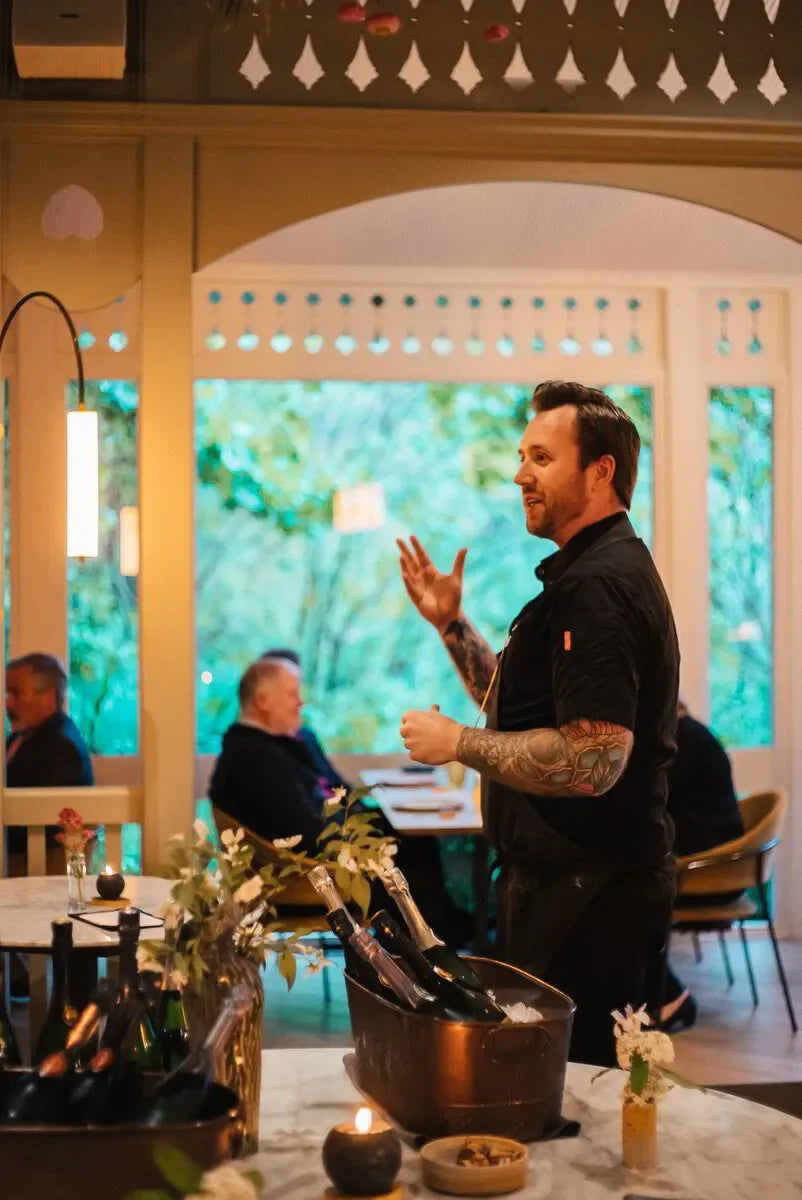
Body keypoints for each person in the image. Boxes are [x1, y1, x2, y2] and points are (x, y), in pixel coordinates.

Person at [397, 380, 679, 1067]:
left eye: (543, 459)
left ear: (600, 470)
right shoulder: (581, 578)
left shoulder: (600, 587)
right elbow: (515, 705)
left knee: (572, 1089)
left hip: (595, 897)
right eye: (523, 457)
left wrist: (459, 744)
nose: (521, 474)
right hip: (564, 889)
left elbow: (596, 760)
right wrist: (452, 627)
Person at [657, 701, 744, 1031]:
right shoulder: (693, 733)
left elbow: (656, 798)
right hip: (717, 861)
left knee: (629, 895)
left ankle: (668, 997)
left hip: (712, 872)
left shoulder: (682, 740)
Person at [209, 656, 326, 854]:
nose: (300, 702)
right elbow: (308, 835)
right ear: (263, 701)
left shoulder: (256, 746)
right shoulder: (254, 757)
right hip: (309, 876)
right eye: (292, 694)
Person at [5, 652, 94, 864]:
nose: (7, 703)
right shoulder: (20, 736)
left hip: (38, 865)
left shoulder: (61, 745)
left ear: (48, 695)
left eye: (16, 694)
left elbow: (46, 818)